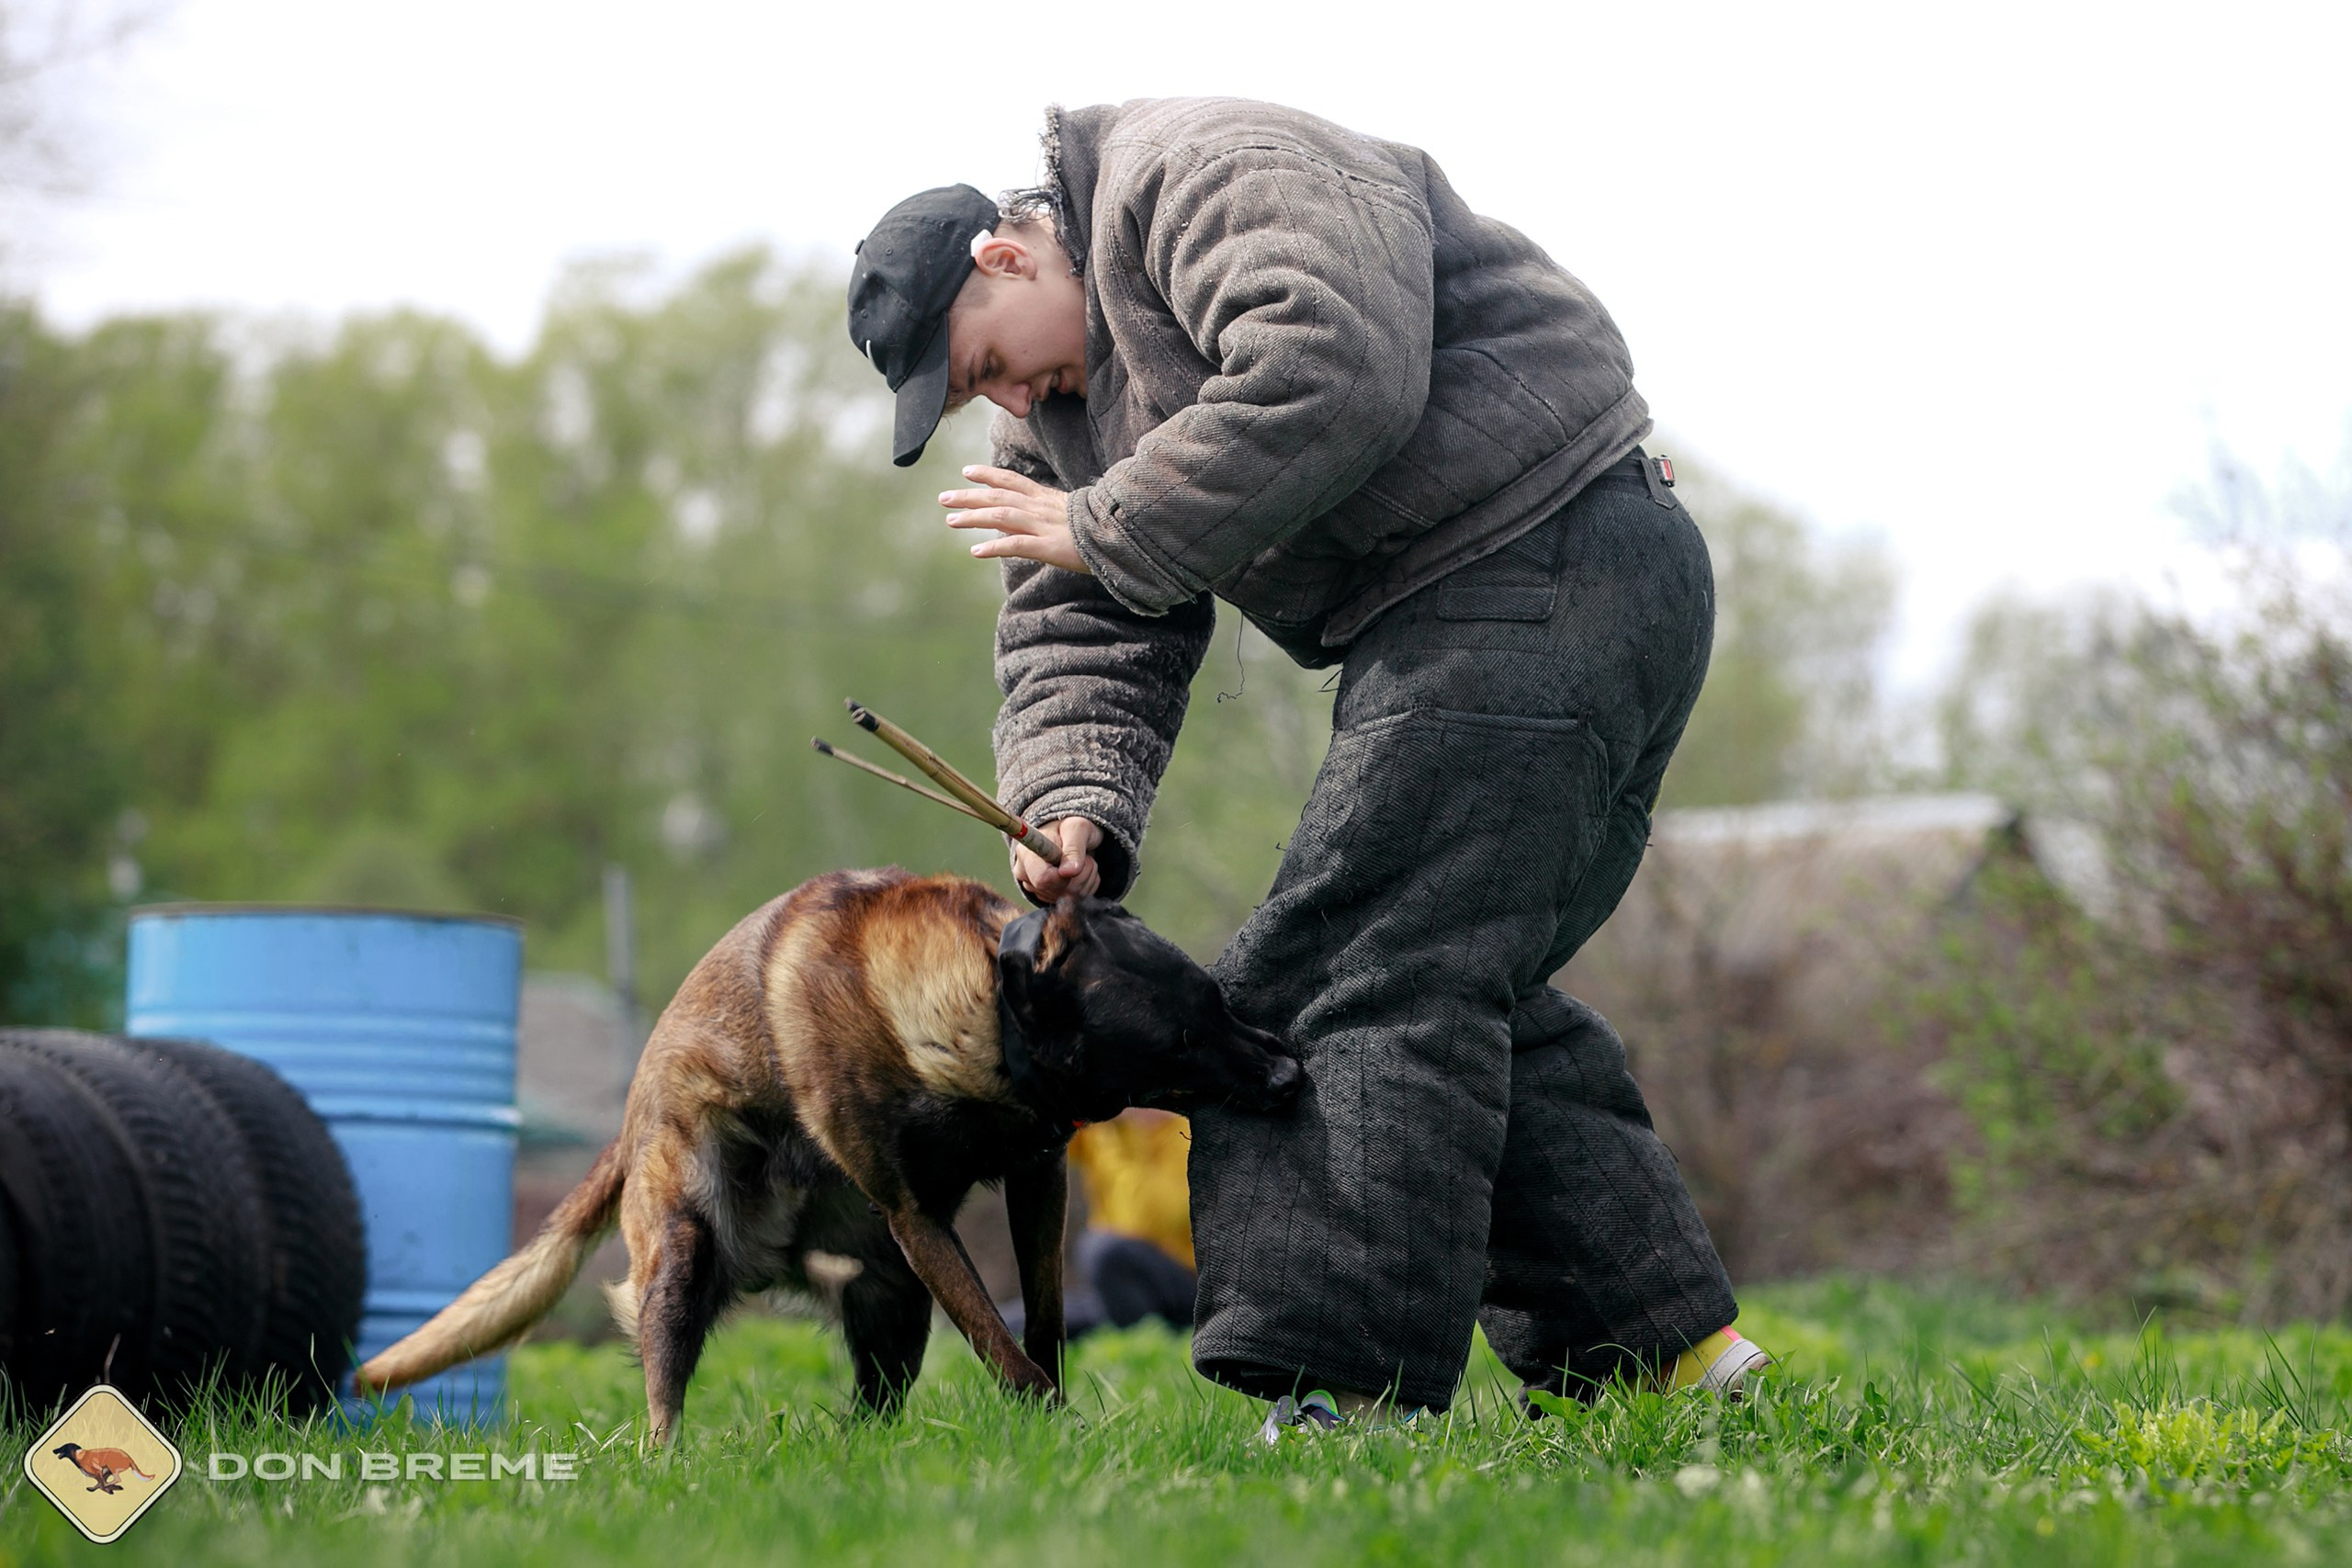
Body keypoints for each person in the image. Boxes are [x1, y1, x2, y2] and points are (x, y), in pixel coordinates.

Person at [847, 97, 1769, 1432]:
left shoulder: (1199, 172)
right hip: (1472, 611)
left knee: (1332, 972)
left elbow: (1333, 366)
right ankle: (1672, 1370)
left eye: (985, 364)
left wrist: (1100, 522)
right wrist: (1074, 804)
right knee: (1450, 973)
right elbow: (1083, 617)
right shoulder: (1062, 413)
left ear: (1005, 258)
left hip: (1554, 557)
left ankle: (1346, 1393)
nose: (1006, 401)